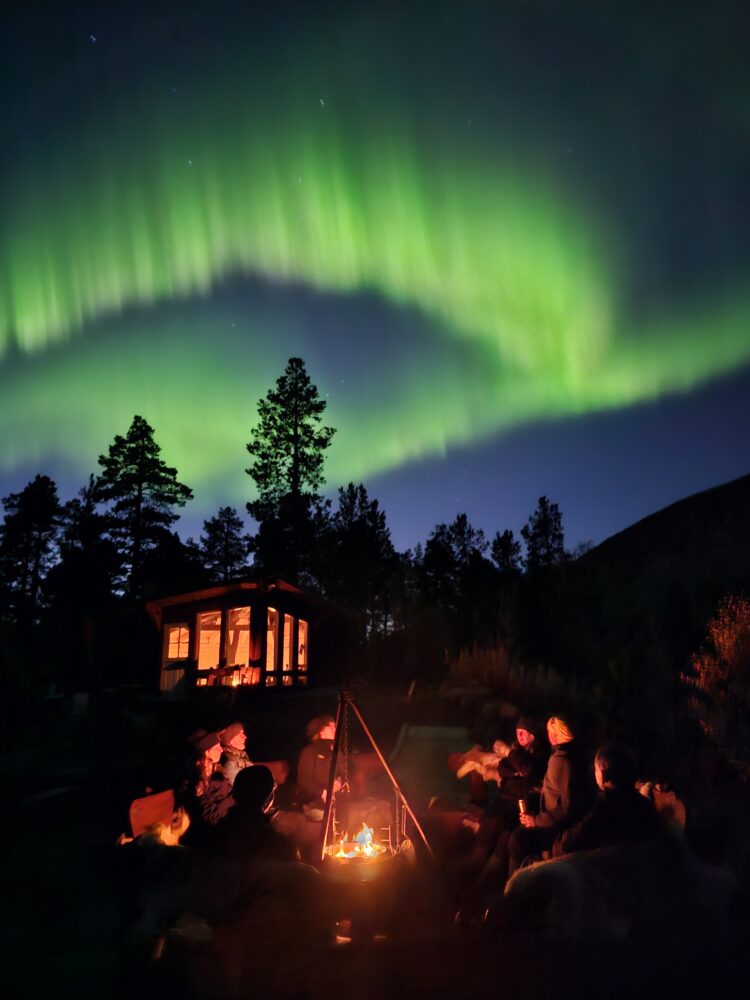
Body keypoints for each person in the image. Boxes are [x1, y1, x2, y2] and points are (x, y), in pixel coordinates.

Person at [508, 715, 591, 875]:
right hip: (552, 821)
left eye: (549, 731)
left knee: (517, 839)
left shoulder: (563, 761)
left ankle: (515, 887)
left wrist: (536, 821)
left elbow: (567, 807)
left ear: (554, 734)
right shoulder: (565, 756)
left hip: (557, 828)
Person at [552, 743, 660, 856]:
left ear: (603, 774)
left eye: (595, 769)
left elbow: (563, 847)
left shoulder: (603, 809)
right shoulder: (645, 806)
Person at [296, 715, 341, 811]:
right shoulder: (309, 751)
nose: (335, 729)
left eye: (335, 726)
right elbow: (304, 781)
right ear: (320, 731)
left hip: (335, 801)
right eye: (330, 726)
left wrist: (339, 782)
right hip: (312, 803)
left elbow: (342, 772)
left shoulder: (336, 751)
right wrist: (323, 793)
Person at [218, 721, 252, 786]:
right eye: (239, 734)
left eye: (243, 733)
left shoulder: (240, 757)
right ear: (229, 739)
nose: (245, 737)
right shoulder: (230, 762)